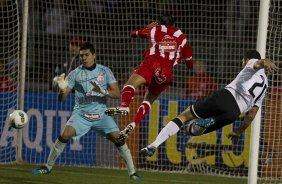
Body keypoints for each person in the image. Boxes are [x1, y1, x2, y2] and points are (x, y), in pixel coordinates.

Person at [32, 42, 143, 180]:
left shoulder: (105, 71)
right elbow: (62, 98)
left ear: (94, 55)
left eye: (86, 55)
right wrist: (61, 89)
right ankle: (47, 167)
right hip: (81, 114)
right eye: (81, 56)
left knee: (118, 137)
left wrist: (101, 90)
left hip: (101, 114)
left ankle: (132, 173)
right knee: (65, 134)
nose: (84, 58)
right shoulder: (75, 74)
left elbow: (117, 93)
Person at [140, 50, 278, 157]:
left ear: (246, 59)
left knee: (183, 117)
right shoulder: (265, 85)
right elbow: (252, 114)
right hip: (233, 114)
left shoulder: (252, 62)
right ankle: (207, 121)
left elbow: (258, 63)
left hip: (226, 97)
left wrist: (265, 61)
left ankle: (153, 145)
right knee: (191, 131)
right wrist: (238, 131)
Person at [105, 14, 193, 140]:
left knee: (129, 85)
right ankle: (134, 123)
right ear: (174, 25)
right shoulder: (182, 37)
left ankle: (124, 106)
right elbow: (190, 64)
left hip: (152, 63)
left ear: (158, 24)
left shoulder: (154, 29)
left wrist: (148, 27)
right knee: (148, 99)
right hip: (166, 73)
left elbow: (133, 33)